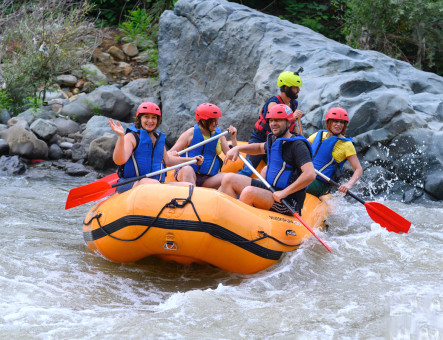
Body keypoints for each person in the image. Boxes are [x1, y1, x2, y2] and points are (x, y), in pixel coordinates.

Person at [220, 104, 316, 216]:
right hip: (271, 189)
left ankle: (238, 221)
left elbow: (310, 174)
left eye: (278, 120)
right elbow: (260, 147)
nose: (273, 124)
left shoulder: (298, 146)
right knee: (228, 179)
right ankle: (230, 218)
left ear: (289, 122)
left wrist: (284, 193)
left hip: (287, 200)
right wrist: (238, 148)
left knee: (248, 192)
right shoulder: (274, 139)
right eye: (271, 120)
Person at [108, 101, 203, 193]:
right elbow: (119, 160)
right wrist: (121, 137)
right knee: (152, 183)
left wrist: (191, 160)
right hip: (131, 183)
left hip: (155, 184)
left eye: (154, 117)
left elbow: (168, 160)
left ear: (158, 120)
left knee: (189, 187)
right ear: (139, 118)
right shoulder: (132, 137)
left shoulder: (158, 138)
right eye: (146, 117)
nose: (150, 121)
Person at [237, 70, 304, 177]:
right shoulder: (273, 103)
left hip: (277, 142)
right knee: (248, 171)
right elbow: (276, 121)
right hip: (261, 139)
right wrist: (292, 116)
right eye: (295, 87)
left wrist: (299, 138)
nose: (298, 90)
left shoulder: (293, 104)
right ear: (286, 88)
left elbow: (292, 126)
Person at [167, 103, 238, 189]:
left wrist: (233, 138)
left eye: (217, 120)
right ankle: (193, 198)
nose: (217, 123)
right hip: (187, 173)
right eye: (213, 121)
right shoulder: (190, 133)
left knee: (230, 177)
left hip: (207, 178)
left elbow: (232, 157)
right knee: (188, 170)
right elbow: (168, 155)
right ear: (204, 121)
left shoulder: (219, 135)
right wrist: (174, 154)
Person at [306, 107, 363, 197]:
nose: (338, 125)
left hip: (320, 183)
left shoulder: (346, 144)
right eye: (335, 121)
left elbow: (358, 169)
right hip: (306, 175)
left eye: (341, 122)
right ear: (328, 122)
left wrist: (348, 185)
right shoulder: (319, 135)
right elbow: (300, 147)